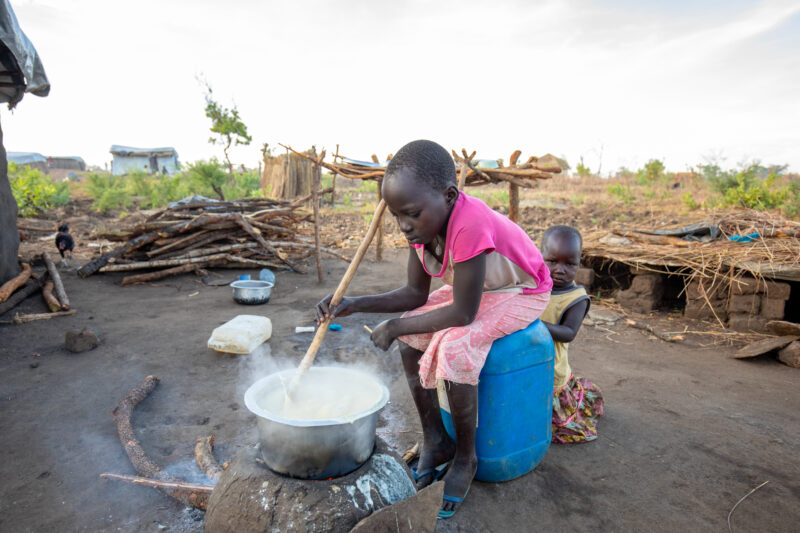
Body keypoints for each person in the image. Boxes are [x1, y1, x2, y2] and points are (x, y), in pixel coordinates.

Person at [316, 140, 552, 518]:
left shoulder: (470, 224)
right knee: (411, 336)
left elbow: (462, 314)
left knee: (456, 345)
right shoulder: (424, 229)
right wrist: (353, 303)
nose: (404, 225)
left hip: (522, 289)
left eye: (410, 213)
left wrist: (394, 325)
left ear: (449, 195)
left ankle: (465, 458)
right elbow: (413, 292)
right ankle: (436, 440)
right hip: (481, 290)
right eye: (396, 216)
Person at [539, 225, 604, 444]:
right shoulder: (534, 285)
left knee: (557, 425)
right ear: (540, 256)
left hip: (552, 368)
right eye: (552, 261)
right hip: (526, 360)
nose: (560, 269)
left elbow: (568, 333)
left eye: (569, 264)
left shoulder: (576, 298)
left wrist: (533, 324)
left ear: (579, 262)